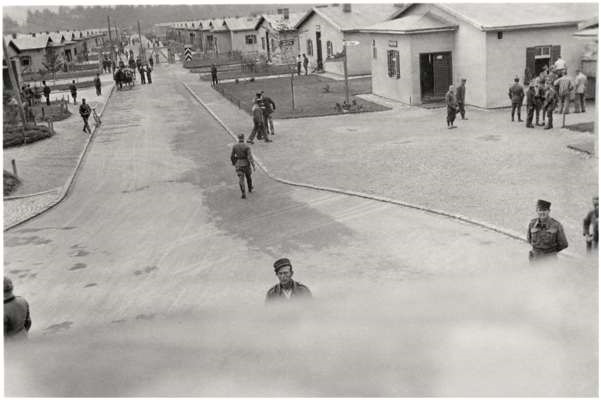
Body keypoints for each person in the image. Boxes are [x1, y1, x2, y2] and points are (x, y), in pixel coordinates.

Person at [230, 133, 255, 199]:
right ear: (243, 138)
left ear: (238, 138)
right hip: (246, 164)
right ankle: (250, 188)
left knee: (241, 179)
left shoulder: (235, 146)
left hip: (239, 164)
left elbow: (232, 156)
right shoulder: (247, 146)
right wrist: (253, 165)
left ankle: (243, 193)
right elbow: (250, 157)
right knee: (248, 177)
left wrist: (234, 163)